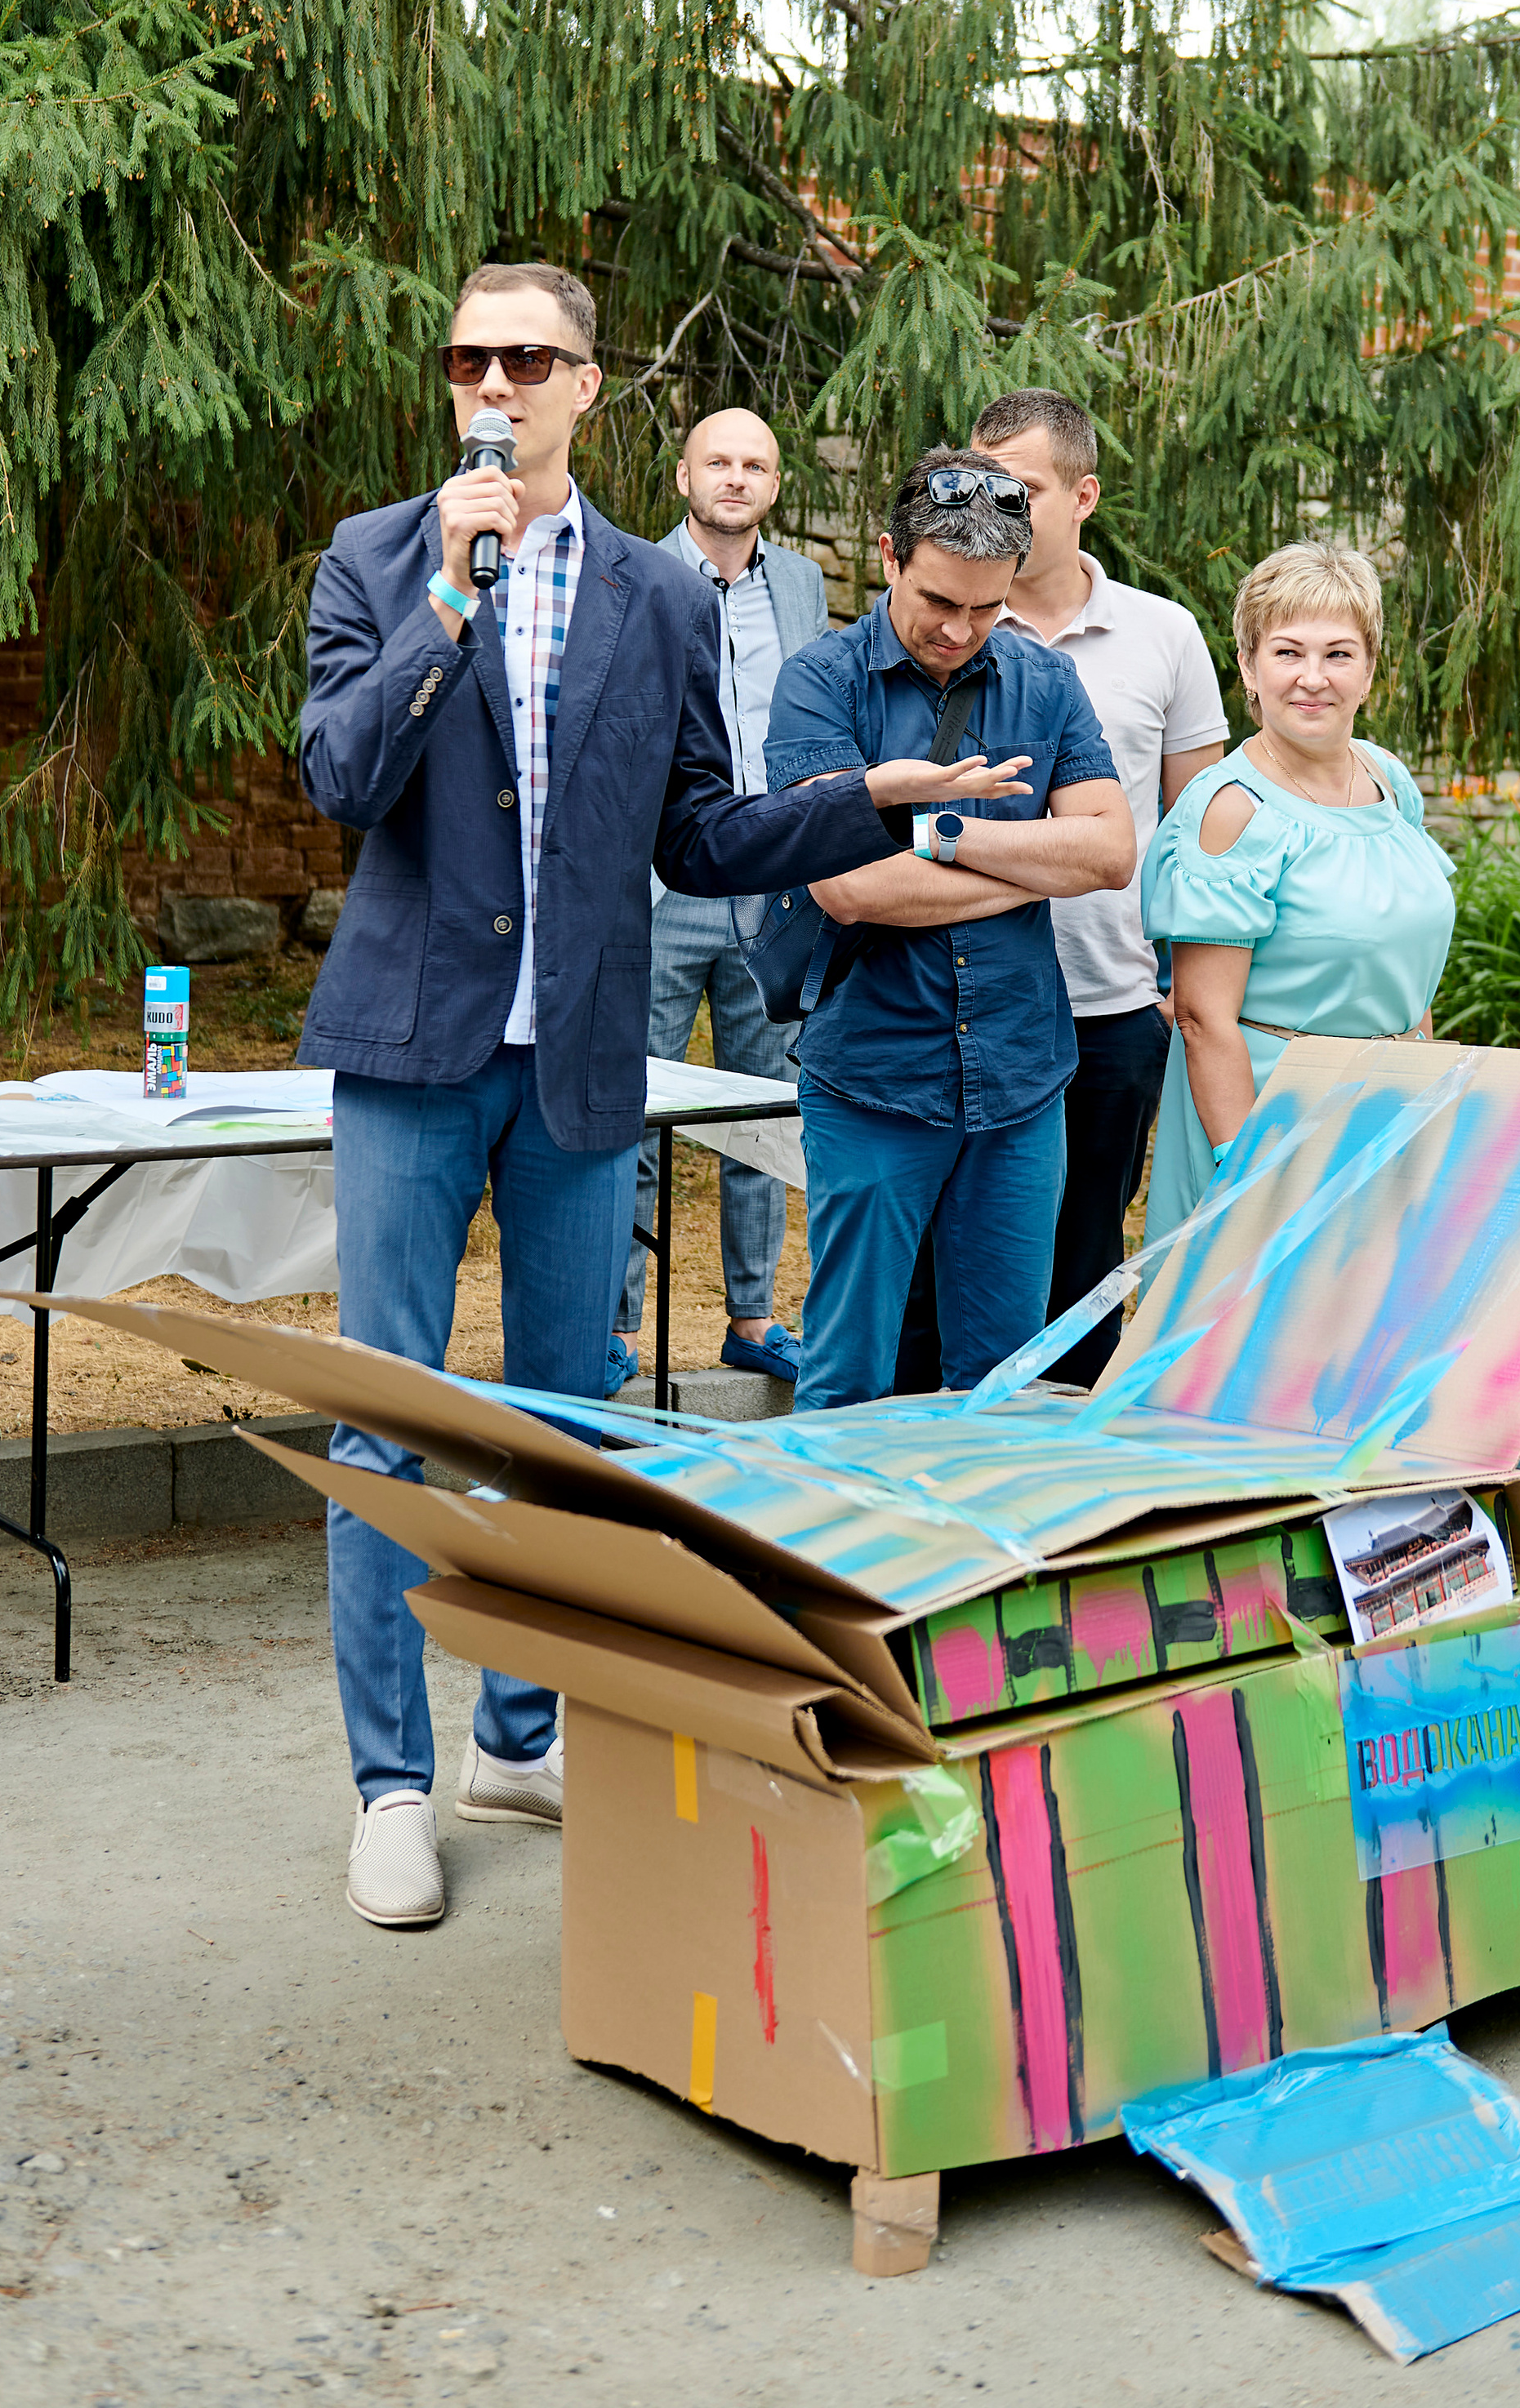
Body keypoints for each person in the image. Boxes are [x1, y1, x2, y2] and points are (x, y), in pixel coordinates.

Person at [296, 265, 1027, 1930]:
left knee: (570, 1419)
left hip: (577, 1063)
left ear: (584, 383)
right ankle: (390, 1786)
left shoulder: (657, 595)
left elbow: (698, 833)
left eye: (526, 357)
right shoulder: (374, 556)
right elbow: (341, 774)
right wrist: (446, 606)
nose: (493, 381)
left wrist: (863, 801)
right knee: (390, 1415)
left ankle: (519, 1735)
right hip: (410, 1052)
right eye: (469, 355)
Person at [764, 448, 1135, 1409]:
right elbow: (847, 887)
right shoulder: (819, 683)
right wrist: (1025, 864)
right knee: (848, 1369)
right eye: (938, 601)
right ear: (888, 556)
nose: (959, 630)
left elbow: (1108, 855)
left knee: (1000, 1384)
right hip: (873, 1078)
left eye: (986, 608)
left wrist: (939, 833)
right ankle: (823, 1556)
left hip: (1020, 1081)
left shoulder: (1044, 683)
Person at [971, 387, 1228, 1373]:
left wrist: (1180, 985)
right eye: (983, 483)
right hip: (966, 1000)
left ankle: (1065, 1491)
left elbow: (1199, 831)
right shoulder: (951, 621)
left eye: (1022, 488)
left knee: (1082, 1269)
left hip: (1110, 1005)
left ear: (1082, 496)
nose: (997, 507)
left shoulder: (1163, 635)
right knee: (955, 1269)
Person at [1139, 541, 1456, 1235]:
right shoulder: (1231, 810)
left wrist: (1425, 1113)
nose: (1313, 677)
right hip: (1272, 1124)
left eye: (1338, 654)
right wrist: (1248, 1169)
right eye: (1288, 653)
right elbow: (1202, 1019)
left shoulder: (1388, 781)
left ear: (1371, 671)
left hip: (1387, 1113)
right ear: (1249, 668)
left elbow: (1411, 979)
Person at [608, 408, 826, 1388]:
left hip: (769, 886)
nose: (735, 479)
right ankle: (613, 1328)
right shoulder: (635, 577)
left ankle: (751, 1316)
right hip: (659, 885)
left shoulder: (804, 586)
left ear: (773, 486)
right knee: (632, 1108)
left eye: (755, 465)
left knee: (760, 1115)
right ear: (684, 478)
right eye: (718, 463)